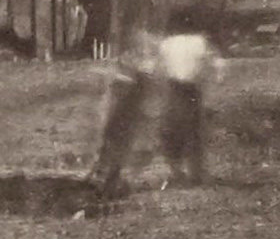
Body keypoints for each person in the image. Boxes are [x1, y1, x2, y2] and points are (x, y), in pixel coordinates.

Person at [155, 21, 223, 182]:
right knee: (192, 131)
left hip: (174, 88)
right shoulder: (200, 42)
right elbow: (217, 64)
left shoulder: (167, 43)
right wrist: (214, 80)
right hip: (190, 89)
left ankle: (177, 170)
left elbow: (158, 68)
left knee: (172, 129)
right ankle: (195, 172)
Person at [89, 35, 158, 191]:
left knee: (116, 145)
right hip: (119, 113)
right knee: (113, 144)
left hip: (124, 114)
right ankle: (103, 176)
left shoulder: (136, 74)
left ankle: (107, 176)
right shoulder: (129, 75)